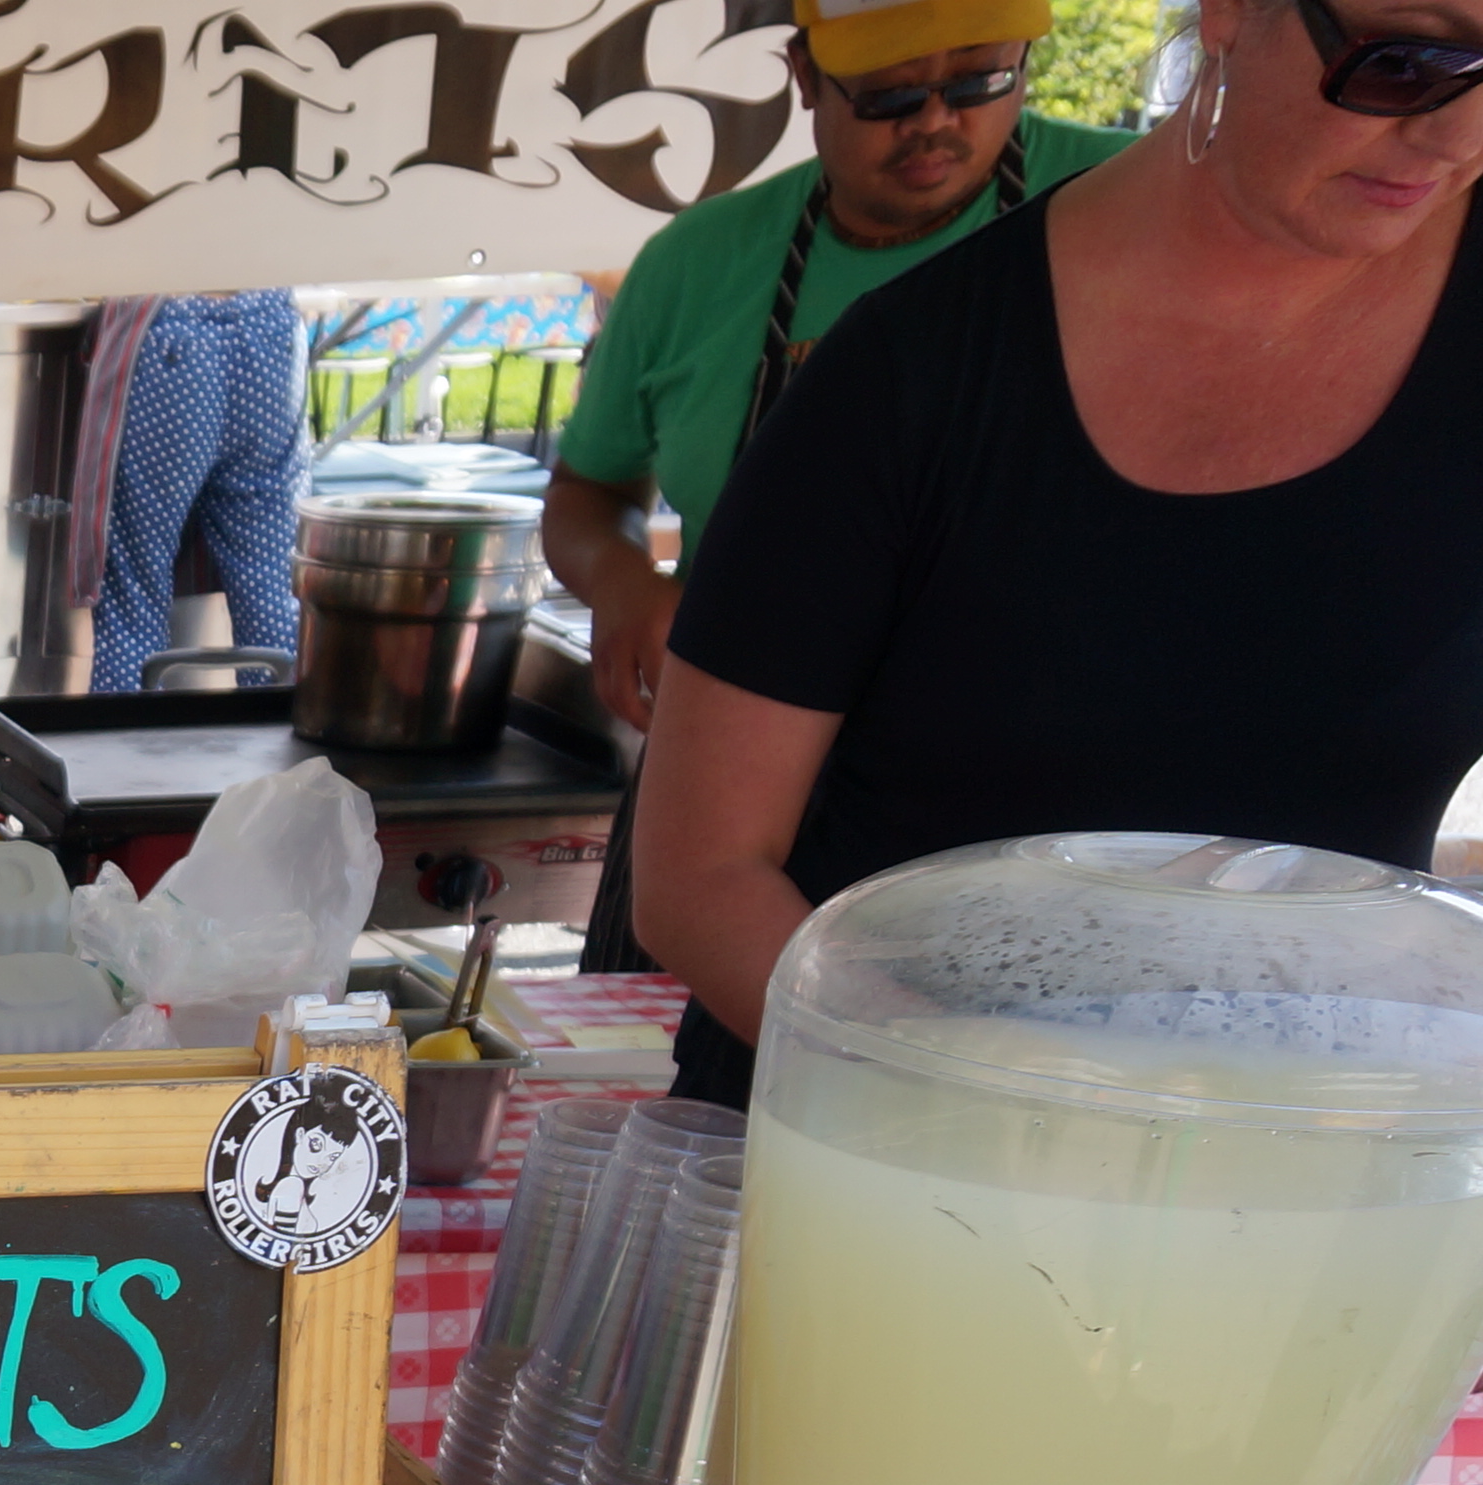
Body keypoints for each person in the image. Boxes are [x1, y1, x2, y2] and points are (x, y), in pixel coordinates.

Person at [629, 0, 1483, 1102]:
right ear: (1230, 11)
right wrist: (1026, 1114)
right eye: (1406, 64)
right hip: (872, 1136)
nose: (1458, 135)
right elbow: (700, 878)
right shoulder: (915, 369)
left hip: (1317, 1148)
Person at [545, 0, 1140, 739]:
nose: (934, 122)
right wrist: (620, 579)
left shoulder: (1134, 201)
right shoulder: (696, 262)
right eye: (889, 94)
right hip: (744, 736)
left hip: (1047, 738)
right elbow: (587, 494)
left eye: (979, 82)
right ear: (806, 75)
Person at [79, 292, 309, 696]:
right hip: (272, 327)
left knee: (133, 592)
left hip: (171, 332)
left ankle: (128, 731)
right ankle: (285, 727)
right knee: (274, 591)